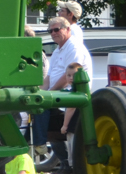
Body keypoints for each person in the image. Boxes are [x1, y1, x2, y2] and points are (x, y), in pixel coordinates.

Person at [32, 18, 92, 157]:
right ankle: (62, 161)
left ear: (68, 29)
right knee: (36, 101)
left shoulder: (74, 48)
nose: (53, 33)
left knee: (43, 105)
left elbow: (68, 77)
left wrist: (48, 94)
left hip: (73, 93)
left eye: (57, 29)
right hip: (59, 93)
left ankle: (39, 143)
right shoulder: (57, 51)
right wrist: (39, 92)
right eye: (50, 31)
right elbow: (49, 78)